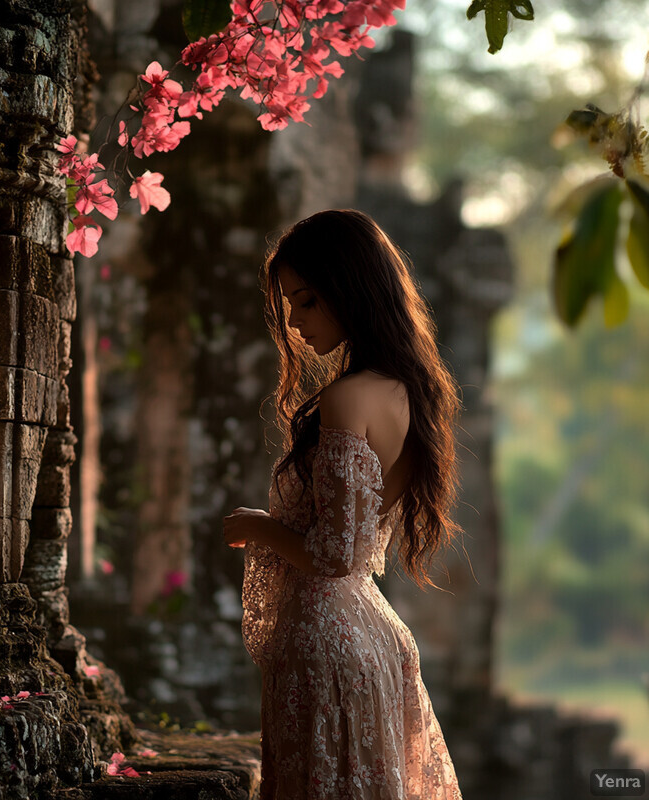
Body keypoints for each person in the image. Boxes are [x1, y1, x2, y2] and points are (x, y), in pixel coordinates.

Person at [223, 209, 464, 799]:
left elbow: (337, 552)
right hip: (370, 634)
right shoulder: (406, 390)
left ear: (349, 286)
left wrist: (259, 525)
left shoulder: (348, 398)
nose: (295, 322)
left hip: (327, 648)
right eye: (288, 306)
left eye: (306, 301)